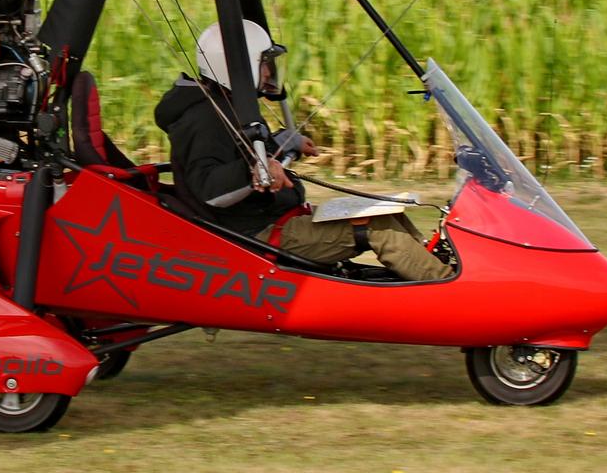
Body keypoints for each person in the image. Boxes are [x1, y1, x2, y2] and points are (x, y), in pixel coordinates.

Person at [155, 20, 452, 283]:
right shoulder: (205, 117)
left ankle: (435, 267)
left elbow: (248, 149)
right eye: (265, 64)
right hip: (256, 234)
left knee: (385, 211)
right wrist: (255, 173)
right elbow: (208, 188)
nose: (270, 71)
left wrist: (287, 142)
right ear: (238, 67)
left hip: (271, 218)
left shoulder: (224, 105)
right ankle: (449, 288)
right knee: (377, 225)